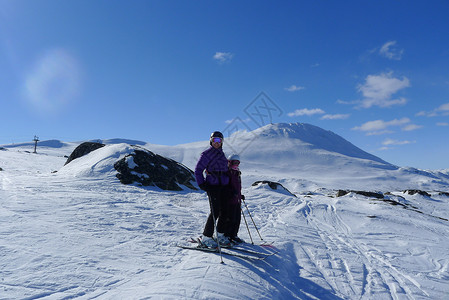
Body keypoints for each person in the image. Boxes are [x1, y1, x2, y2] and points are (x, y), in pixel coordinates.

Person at [195, 131, 231, 248]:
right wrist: (202, 184)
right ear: (211, 141)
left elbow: (225, 170)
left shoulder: (222, 155)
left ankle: (219, 236)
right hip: (212, 185)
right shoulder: (206, 154)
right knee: (215, 211)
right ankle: (206, 237)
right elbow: (198, 170)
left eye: (219, 140)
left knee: (225, 211)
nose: (217, 143)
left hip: (223, 186)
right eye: (215, 140)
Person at [225, 154, 245, 244]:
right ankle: (228, 235)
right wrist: (231, 193)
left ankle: (234, 235)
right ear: (230, 162)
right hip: (230, 200)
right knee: (231, 219)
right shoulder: (227, 172)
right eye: (234, 162)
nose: (236, 164)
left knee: (237, 218)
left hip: (237, 200)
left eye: (238, 163)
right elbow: (225, 186)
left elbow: (237, 187)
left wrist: (240, 195)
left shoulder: (237, 173)